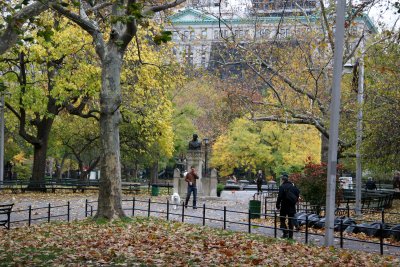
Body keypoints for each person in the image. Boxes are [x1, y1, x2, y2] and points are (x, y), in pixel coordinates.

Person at [276, 174, 300, 239]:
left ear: (283, 180)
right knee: (291, 221)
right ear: (288, 179)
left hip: (284, 206)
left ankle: (285, 232)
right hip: (292, 206)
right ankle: (291, 236)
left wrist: (277, 205)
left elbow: (279, 197)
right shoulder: (293, 186)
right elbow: (297, 193)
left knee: (282, 220)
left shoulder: (282, 187)